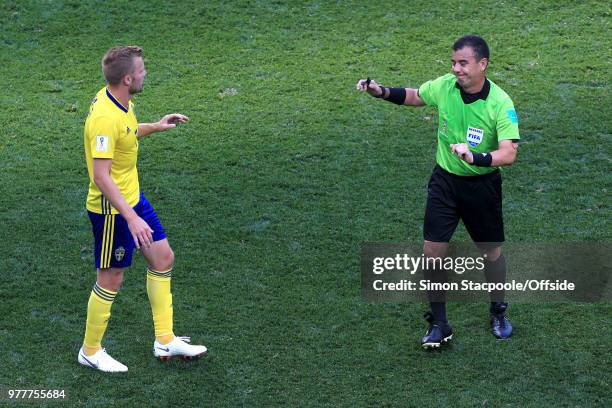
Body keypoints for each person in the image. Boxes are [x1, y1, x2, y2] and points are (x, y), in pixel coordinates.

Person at [357, 35, 519, 349]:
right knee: (432, 251)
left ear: (482, 64)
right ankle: (439, 323)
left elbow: (508, 153)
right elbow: (416, 96)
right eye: (453, 63)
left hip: (482, 188)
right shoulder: (445, 86)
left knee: (491, 252)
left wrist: (476, 158)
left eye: (463, 63)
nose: (456, 69)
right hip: (444, 182)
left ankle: (498, 311)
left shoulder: (500, 102)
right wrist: (381, 91)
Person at [79, 45, 207, 372]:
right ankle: (90, 351)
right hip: (112, 211)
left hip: (133, 200)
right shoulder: (104, 118)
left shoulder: (120, 101)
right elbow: (100, 176)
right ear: (127, 78)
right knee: (111, 279)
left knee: (163, 258)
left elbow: (129, 132)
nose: (145, 72)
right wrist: (131, 217)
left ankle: (165, 338)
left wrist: (156, 126)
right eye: (141, 69)